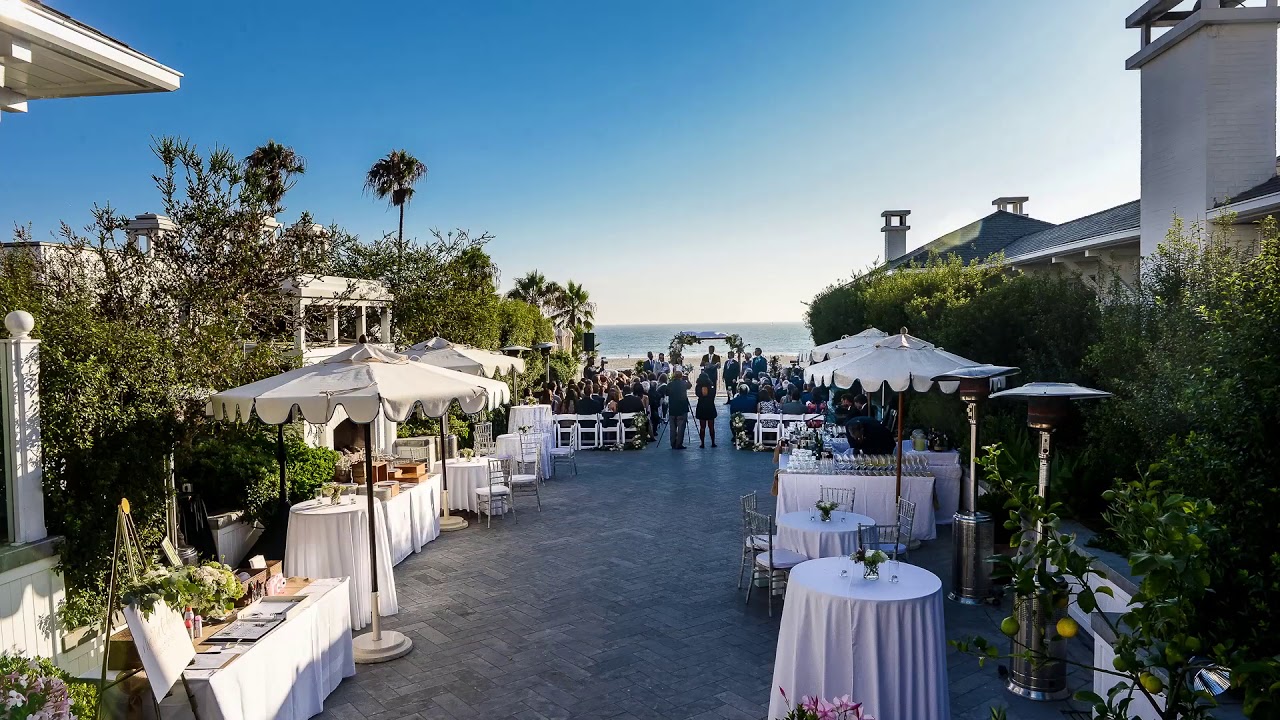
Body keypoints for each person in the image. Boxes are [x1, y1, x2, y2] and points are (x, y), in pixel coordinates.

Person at [666, 370, 691, 449]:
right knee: (681, 427)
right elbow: (690, 386)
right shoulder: (684, 383)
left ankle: (673, 443)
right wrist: (687, 379)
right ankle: (679, 444)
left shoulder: (670, 384)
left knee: (672, 428)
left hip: (672, 408)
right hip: (682, 408)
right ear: (681, 376)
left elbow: (666, 393)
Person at [694, 372, 718, 448]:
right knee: (711, 426)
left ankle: (702, 443)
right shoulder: (711, 385)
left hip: (701, 406)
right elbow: (713, 394)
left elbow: (697, 394)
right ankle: (713, 442)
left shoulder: (698, 386)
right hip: (710, 406)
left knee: (702, 427)